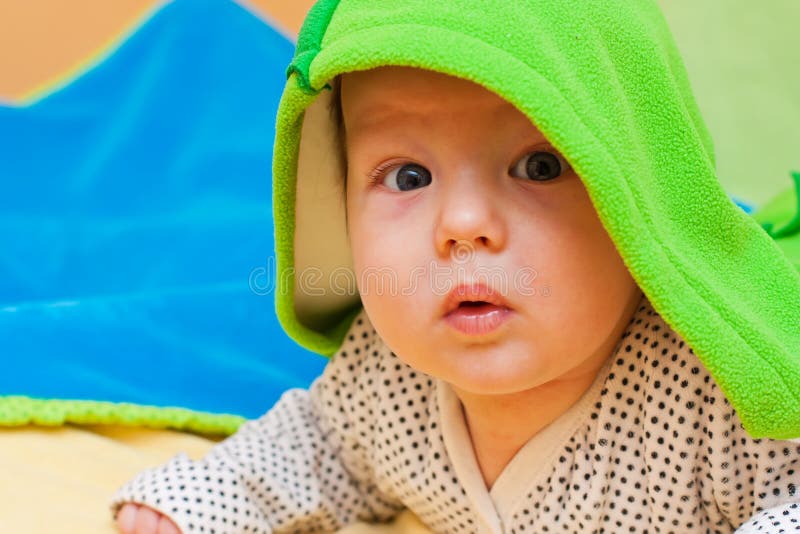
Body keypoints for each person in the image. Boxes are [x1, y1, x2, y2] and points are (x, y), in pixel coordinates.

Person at [112, 0, 800, 532]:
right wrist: (199, 504)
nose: (462, 226)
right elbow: (316, 447)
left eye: (539, 166)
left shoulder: (721, 392)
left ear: (637, 194)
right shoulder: (387, 376)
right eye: (408, 176)